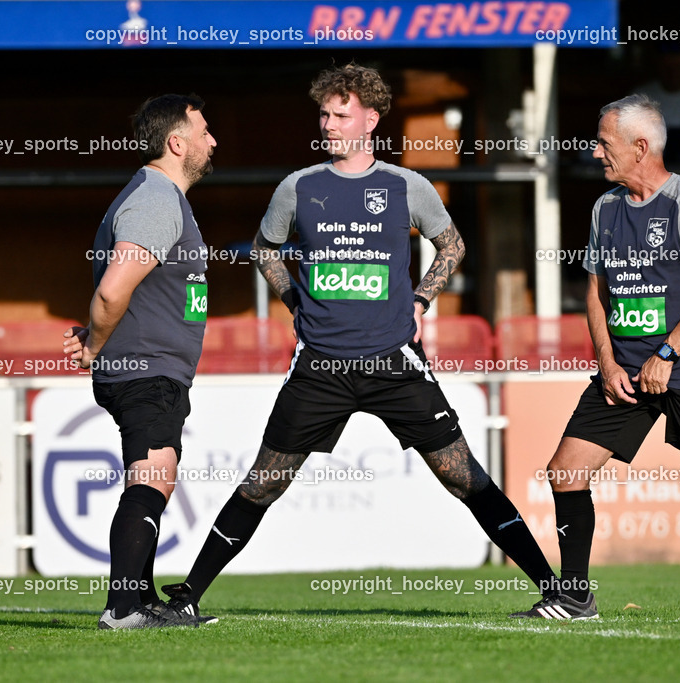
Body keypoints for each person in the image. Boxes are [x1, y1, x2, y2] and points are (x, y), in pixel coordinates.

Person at [160, 63, 560, 621]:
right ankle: (186, 599)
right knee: (261, 484)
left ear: (370, 119)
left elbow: (453, 245)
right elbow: (264, 249)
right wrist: (295, 302)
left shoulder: (407, 185)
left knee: (463, 475)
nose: (328, 123)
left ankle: (556, 590)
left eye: (339, 114)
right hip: (320, 366)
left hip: (394, 362)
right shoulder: (297, 187)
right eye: (323, 113)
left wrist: (420, 300)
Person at [512, 94, 680, 620]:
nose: (595, 153)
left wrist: (666, 353)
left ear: (640, 148)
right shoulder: (605, 208)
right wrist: (608, 365)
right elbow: (595, 293)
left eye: (604, 143)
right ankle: (574, 597)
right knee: (565, 471)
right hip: (622, 375)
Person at [62, 93, 217, 629]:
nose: (211, 140)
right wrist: (97, 343)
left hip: (152, 366)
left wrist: (95, 338)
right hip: (145, 369)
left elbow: (120, 296)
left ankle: (138, 599)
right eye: (203, 131)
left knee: (155, 475)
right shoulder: (156, 198)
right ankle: (123, 608)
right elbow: (112, 290)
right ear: (177, 142)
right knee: (152, 474)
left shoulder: (161, 197)